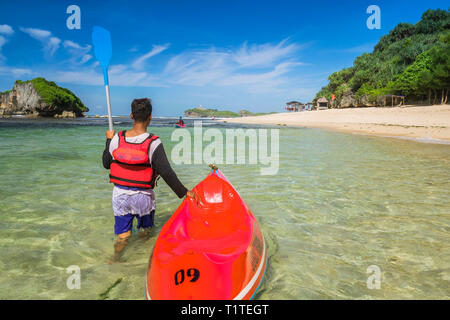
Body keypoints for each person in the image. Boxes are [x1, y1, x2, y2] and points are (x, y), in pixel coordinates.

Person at [102, 98, 196, 262]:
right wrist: (184, 192)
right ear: (150, 117)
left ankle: (116, 258)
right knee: (146, 231)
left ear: (131, 115)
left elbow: (106, 164)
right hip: (143, 196)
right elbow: (166, 172)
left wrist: (108, 140)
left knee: (123, 235)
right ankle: (142, 258)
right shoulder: (153, 142)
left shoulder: (117, 138)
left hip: (119, 195)